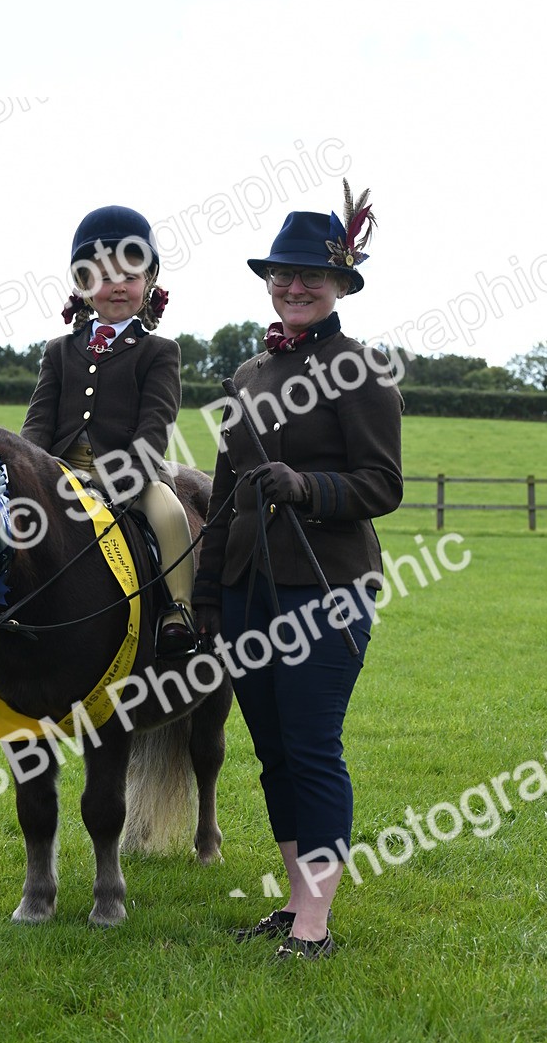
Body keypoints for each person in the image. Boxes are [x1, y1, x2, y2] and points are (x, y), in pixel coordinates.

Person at [193, 182, 403, 960]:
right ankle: (292, 902)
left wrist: (308, 487)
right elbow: (220, 498)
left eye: (311, 276)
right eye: (282, 275)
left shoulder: (362, 369)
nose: (294, 286)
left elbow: (383, 484)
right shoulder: (246, 375)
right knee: (273, 747)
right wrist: (208, 592)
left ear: (342, 283)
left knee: (313, 745)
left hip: (328, 587)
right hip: (248, 589)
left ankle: (316, 922)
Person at [20, 204, 196, 655]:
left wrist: (123, 479)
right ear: (83, 284)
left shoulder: (159, 351)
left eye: (130, 275)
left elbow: (156, 424)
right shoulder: (59, 350)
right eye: (104, 274)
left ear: (148, 283)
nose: (118, 286)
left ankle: (178, 610)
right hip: (59, 471)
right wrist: (26, 472)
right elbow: (39, 421)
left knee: (171, 515)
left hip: (130, 474)